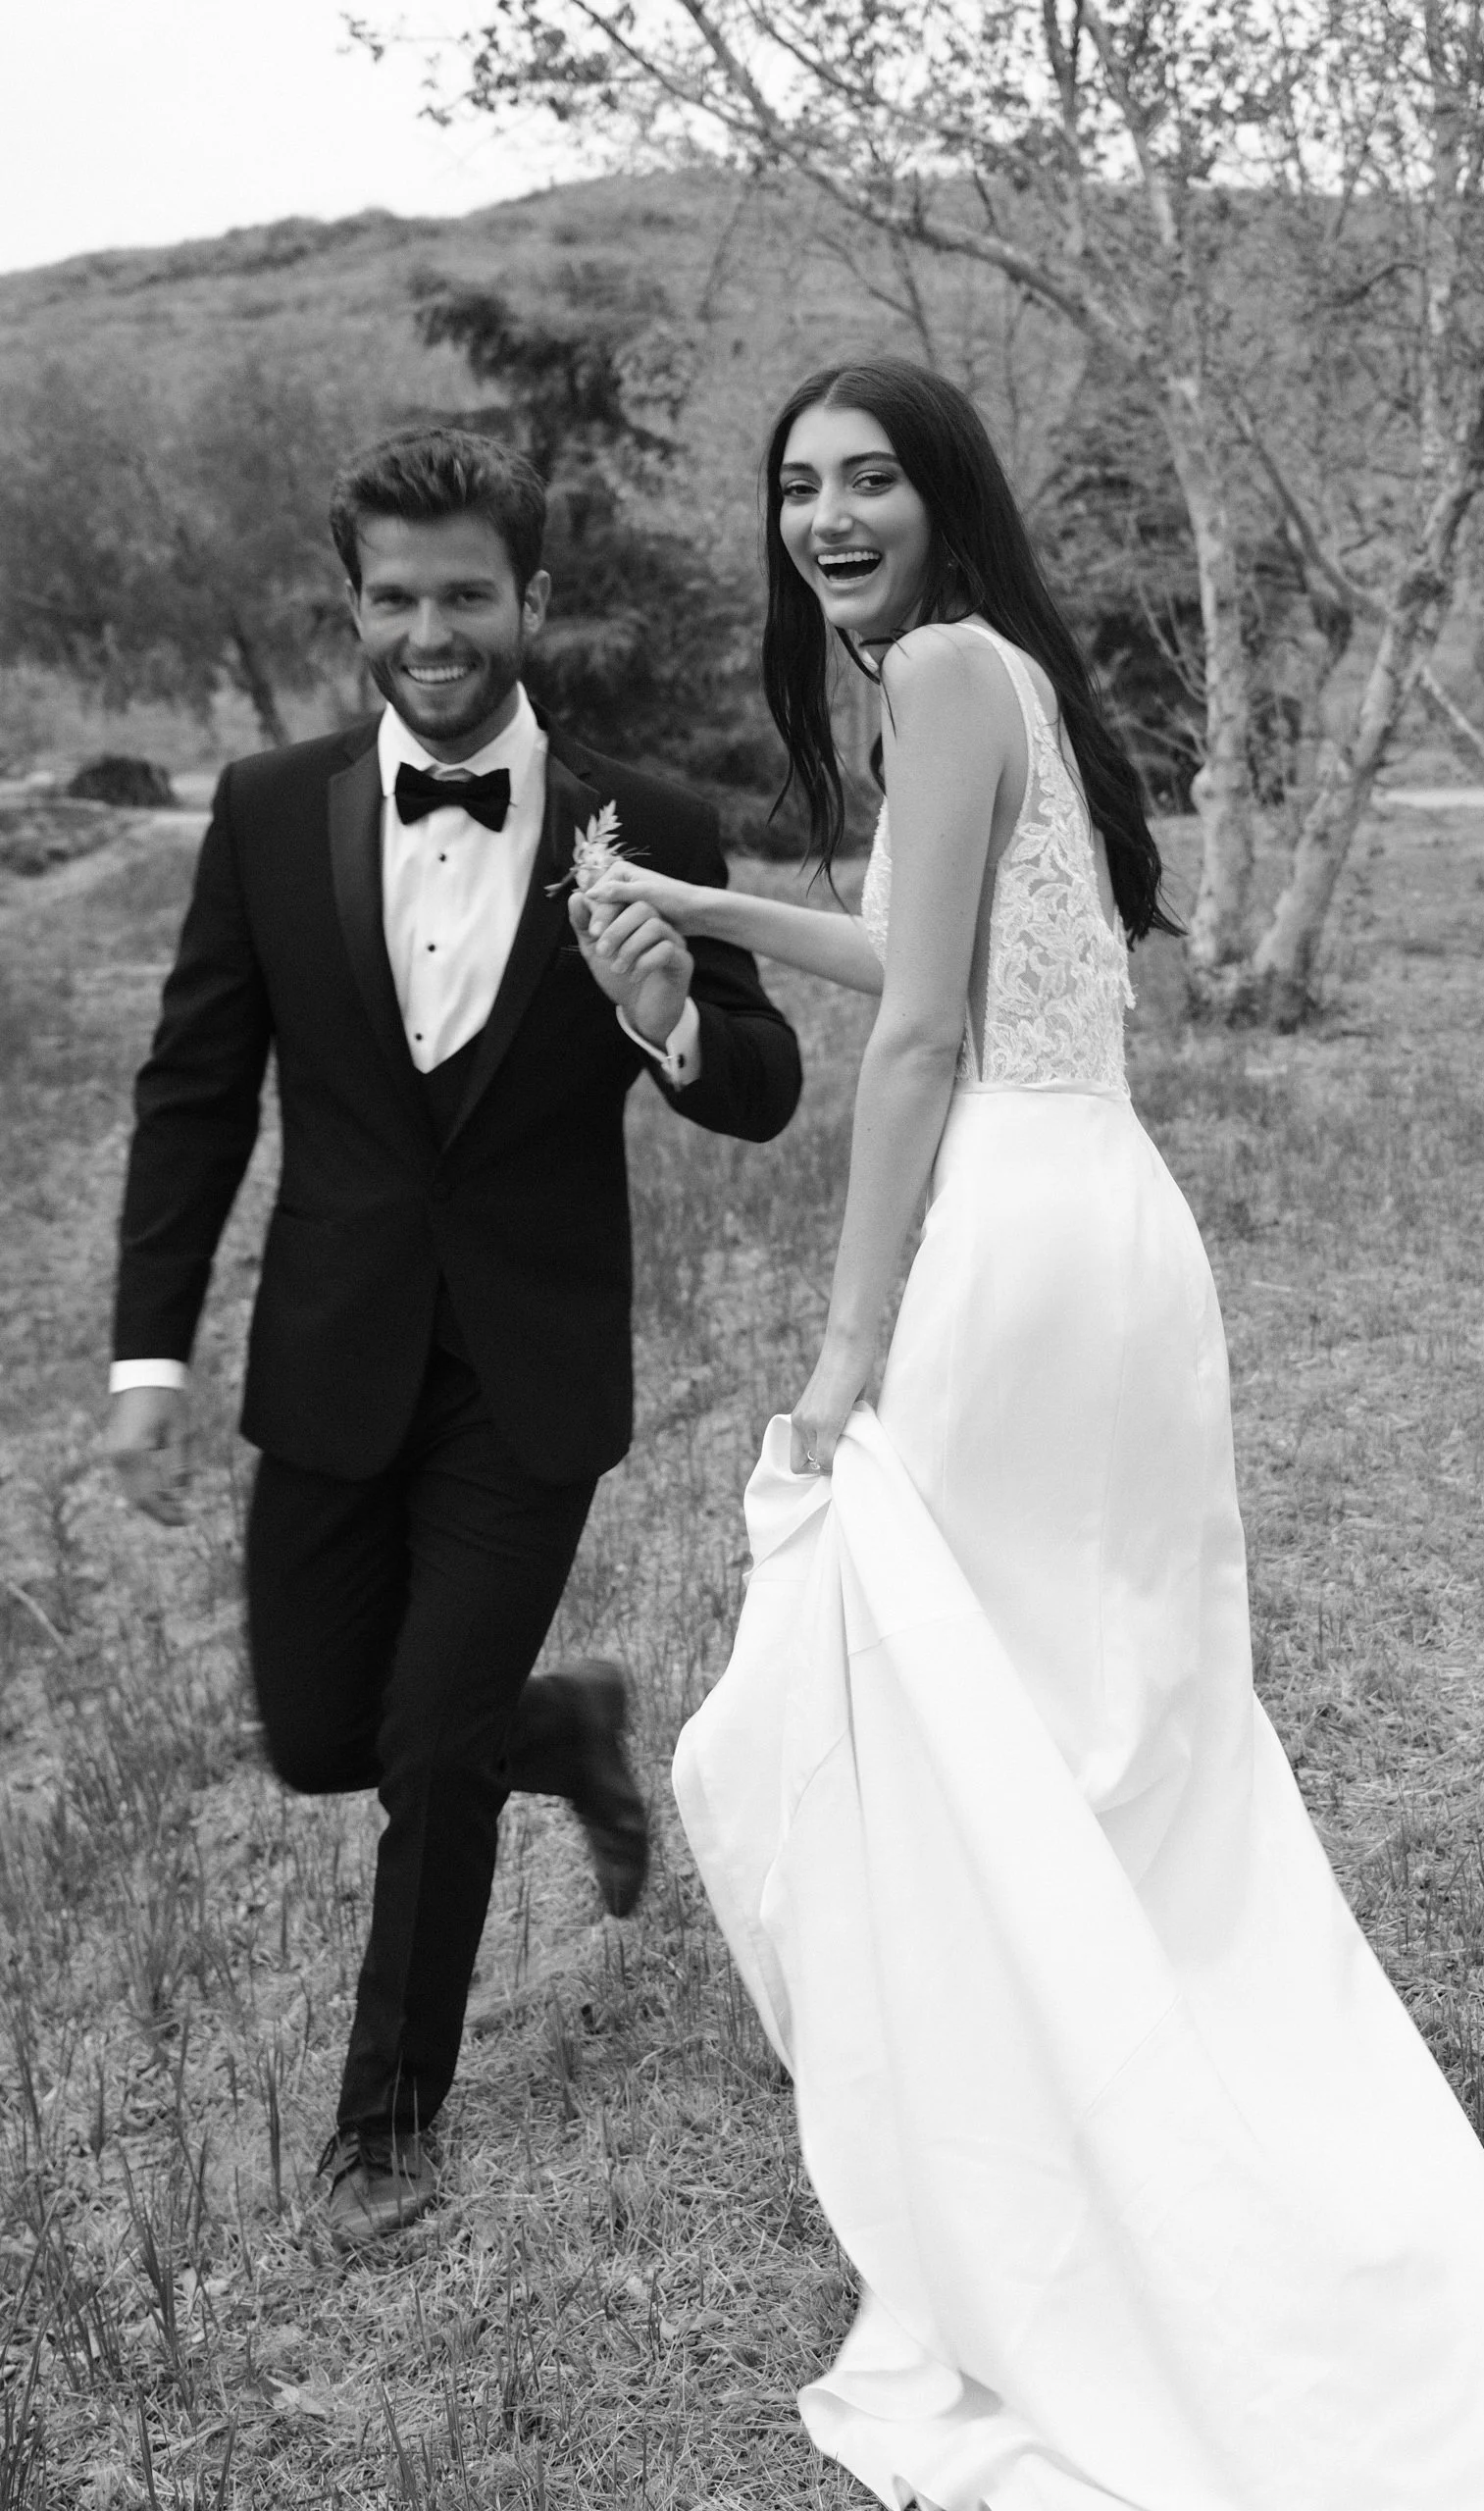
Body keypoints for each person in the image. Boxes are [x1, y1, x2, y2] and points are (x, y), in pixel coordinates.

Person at [582, 358, 1484, 2509]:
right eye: (799, 487)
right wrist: (722, 913)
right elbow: (930, 956)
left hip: (1017, 1247)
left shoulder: (941, 672)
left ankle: (1090, 2186)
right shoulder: (1000, 672)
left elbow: (923, 1037)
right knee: (1109, 1730)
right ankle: (1137, 2108)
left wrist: (846, 1345)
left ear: (943, 496)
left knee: (943, 1702)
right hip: (1111, 1219)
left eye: (868, 479)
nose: (827, 517)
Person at [105, 427, 801, 2250]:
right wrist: (148, 1361)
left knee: (425, 1748)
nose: (432, 632)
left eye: (468, 595)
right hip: (331, 1355)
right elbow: (196, 1094)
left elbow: (763, 1086)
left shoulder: (651, 827)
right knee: (319, 1734)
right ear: (356, 606)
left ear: (531, 600)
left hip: (529, 1367)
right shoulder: (269, 811)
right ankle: (558, 1727)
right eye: (397, 598)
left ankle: (386, 2121)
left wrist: (668, 1016)